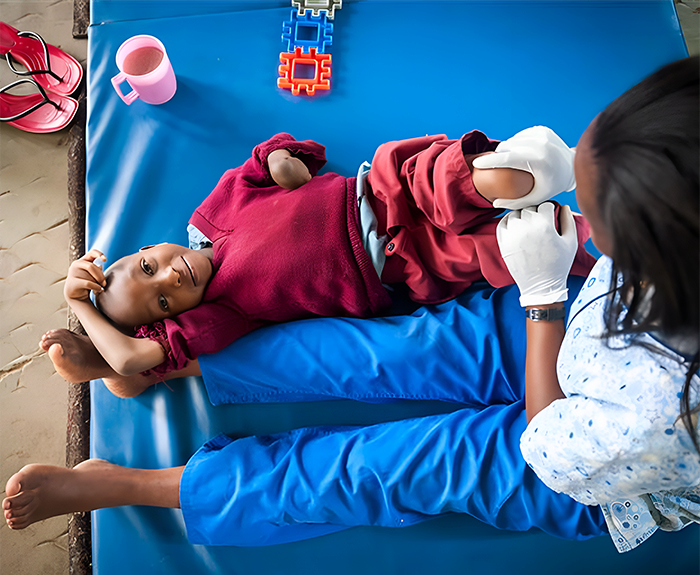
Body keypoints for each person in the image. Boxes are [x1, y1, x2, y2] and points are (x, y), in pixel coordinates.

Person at [5, 56, 700, 554]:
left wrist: (545, 300)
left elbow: (553, 453)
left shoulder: (668, 411)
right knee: (382, 352)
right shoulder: (659, 245)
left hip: (588, 462)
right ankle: (164, 368)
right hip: (586, 327)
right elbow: (271, 164)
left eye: (598, 219)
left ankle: (132, 483)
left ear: (658, 247)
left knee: (384, 467)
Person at [39, 127, 594, 389]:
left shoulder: (212, 212)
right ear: (174, 316)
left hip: (379, 190)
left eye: (148, 266)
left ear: (145, 249)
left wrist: (284, 161)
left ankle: (533, 170)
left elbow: (267, 161)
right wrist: (80, 305)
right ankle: (590, 236)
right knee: (504, 251)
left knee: (445, 175)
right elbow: (135, 360)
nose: (170, 276)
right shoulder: (222, 310)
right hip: (402, 264)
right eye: (163, 300)